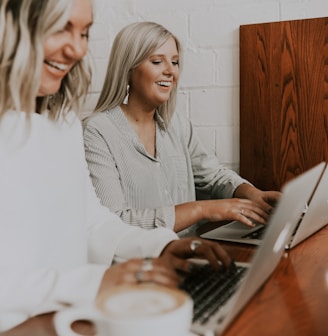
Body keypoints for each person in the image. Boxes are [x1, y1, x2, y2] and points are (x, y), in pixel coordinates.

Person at [0, 1, 232, 332]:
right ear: (12, 24)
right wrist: (94, 283)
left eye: (84, 32)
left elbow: (92, 221)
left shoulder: (63, 122)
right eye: (60, 28)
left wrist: (161, 245)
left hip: (74, 319)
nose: (77, 48)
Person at [83, 21, 281, 235]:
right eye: (157, 61)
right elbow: (114, 223)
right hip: (139, 264)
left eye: (175, 62)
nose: (170, 71)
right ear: (128, 68)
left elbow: (213, 176)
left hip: (189, 255)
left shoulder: (177, 125)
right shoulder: (97, 132)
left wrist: (251, 193)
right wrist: (201, 210)